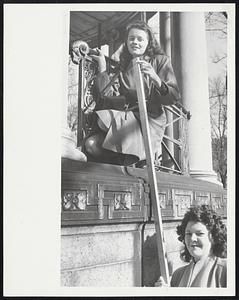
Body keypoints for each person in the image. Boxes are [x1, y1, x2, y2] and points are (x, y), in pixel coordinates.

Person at [84, 21, 180, 166]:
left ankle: (134, 157)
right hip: (127, 117)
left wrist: (155, 78)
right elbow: (107, 97)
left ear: (148, 42)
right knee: (91, 144)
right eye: (131, 38)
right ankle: (125, 159)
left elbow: (173, 97)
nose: (135, 42)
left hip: (149, 118)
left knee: (102, 122)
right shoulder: (124, 66)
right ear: (127, 42)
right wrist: (103, 68)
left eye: (140, 39)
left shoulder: (160, 61)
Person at [155, 204, 227, 287]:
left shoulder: (225, 271)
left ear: (213, 237)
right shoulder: (177, 275)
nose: (192, 238)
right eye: (188, 233)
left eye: (199, 233)